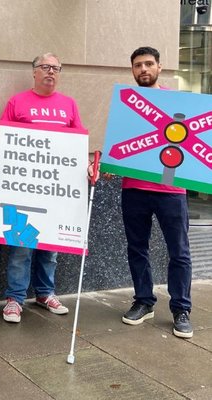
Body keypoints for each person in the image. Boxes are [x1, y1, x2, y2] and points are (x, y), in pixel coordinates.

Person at [0, 53, 85, 323]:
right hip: (23, 187)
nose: (51, 72)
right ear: (34, 72)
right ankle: (14, 299)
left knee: (51, 247)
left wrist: (87, 167)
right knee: (20, 247)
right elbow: (6, 138)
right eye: (45, 67)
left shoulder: (69, 104)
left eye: (56, 68)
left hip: (56, 191)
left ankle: (45, 293)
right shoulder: (17, 102)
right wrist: (0, 168)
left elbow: (78, 143)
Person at [119, 46, 193, 339]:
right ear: (133, 70)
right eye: (138, 65)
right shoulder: (127, 105)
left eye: (149, 64)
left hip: (171, 190)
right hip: (134, 188)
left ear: (160, 67)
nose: (144, 69)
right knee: (137, 248)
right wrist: (112, 162)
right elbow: (120, 145)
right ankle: (144, 300)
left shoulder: (178, 103)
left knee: (180, 252)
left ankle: (181, 309)